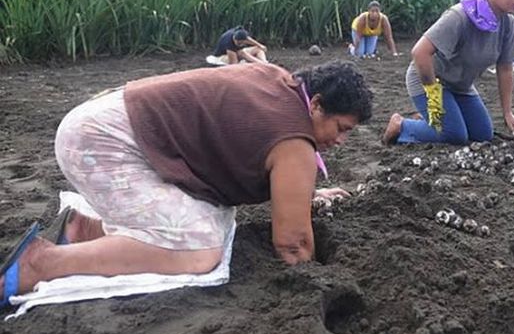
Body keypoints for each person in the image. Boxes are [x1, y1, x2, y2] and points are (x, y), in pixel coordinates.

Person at [0, 61, 373, 304]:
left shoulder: (282, 85)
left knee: (212, 218)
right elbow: (292, 244)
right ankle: (45, 263)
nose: (340, 141)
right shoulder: (294, 139)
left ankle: (86, 229)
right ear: (317, 104)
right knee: (201, 249)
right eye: (341, 129)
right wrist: (314, 287)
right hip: (103, 143)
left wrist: (306, 192)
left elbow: (266, 153)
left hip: (103, 122)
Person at [382, 0, 514, 146]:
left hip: (461, 86)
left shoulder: (508, 23)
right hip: (429, 81)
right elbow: (420, 53)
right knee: (455, 135)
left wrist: (508, 113)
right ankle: (402, 126)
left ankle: (430, 120)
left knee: (483, 134)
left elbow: (505, 68)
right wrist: (434, 98)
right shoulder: (460, 16)